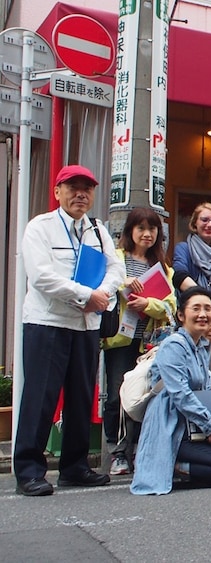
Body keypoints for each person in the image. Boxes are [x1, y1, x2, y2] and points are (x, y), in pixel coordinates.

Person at [14, 165, 125, 497]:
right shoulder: (41, 227)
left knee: (81, 396)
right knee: (41, 396)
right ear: (57, 192)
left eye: (86, 189)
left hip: (87, 326)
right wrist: (85, 295)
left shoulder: (97, 230)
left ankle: (75, 467)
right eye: (72, 187)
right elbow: (41, 276)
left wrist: (102, 294)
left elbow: (116, 268)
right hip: (47, 323)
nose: (80, 194)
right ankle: (29, 471)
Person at [131, 287, 211, 494]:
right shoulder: (173, 345)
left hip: (193, 426)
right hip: (174, 426)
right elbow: (181, 395)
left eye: (207, 309)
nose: (203, 314)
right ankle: (172, 465)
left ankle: (187, 459)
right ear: (181, 315)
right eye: (196, 308)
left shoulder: (202, 348)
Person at [101, 208, 177, 476]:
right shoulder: (116, 259)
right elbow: (103, 287)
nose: (147, 234)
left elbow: (170, 305)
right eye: (141, 228)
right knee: (117, 396)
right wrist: (123, 282)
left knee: (146, 395)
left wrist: (148, 304)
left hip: (150, 343)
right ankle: (118, 452)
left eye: (152, 229)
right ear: (130, 231)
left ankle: (141, 449)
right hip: (120, 340)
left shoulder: (163, 267)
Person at [172, 202, 211, 311]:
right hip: (192, 311)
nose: (210, 225)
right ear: (195, 223)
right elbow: (179, 277)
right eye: (204, 220)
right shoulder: (184, 249)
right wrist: (207, 300)